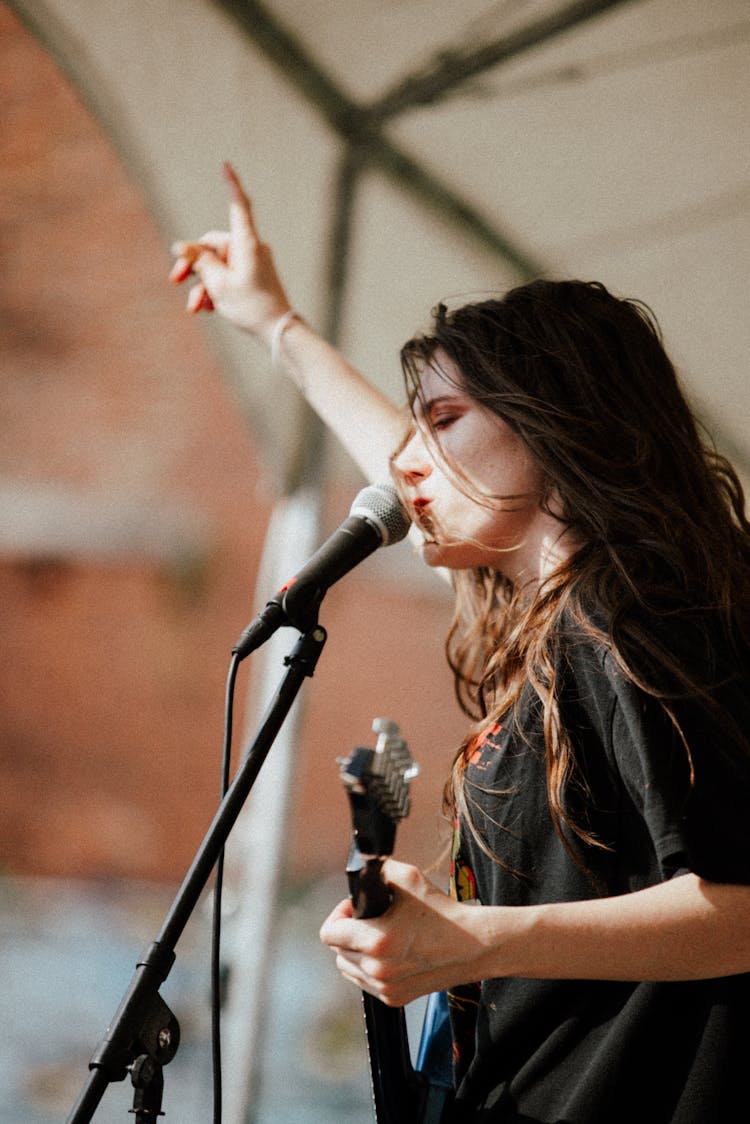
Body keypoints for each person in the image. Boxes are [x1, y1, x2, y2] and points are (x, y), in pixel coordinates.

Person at [171, 164, 750, 1122]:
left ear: (559, 423)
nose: (407, 460)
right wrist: (274, 324)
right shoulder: (560, 618)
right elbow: (400, 458)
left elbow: (738, 904)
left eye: (443, 420)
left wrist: (480, 938)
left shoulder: (631, 618)